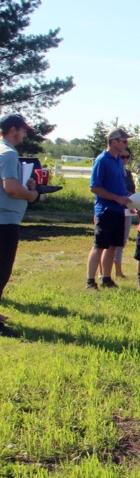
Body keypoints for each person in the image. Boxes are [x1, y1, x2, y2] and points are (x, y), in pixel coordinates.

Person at [0, 113, 42, 337]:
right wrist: (32, 194)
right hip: (4, 221)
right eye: (24, 130)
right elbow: (11, 189)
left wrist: (25, 184)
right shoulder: (8, 153)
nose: (25, 134)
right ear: (13, 129)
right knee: (2, 270)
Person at [86, 128, 133, 289]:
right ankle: (90, 281)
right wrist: (116, 198)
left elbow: (119, 186)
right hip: (105, 210)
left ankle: (106, 278)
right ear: (114, 142)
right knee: (99, 245)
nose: (126, 144)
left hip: (119, 210)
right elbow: (94, 187)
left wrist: (130, 200)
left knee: (113, 245)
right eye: (124, 141)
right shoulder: (102, 160)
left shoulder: (119, 161)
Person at [112, 149, 137, 278]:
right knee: (109, 243)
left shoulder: (127, 173)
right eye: (122, 157)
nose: (125, 159)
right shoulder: (113, 172)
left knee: (122, 242)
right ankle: (103, 272)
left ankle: (118, 271)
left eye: (127, 157)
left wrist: (136, 201)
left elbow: (131, 191)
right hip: (113, 210)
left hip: (127, 210)